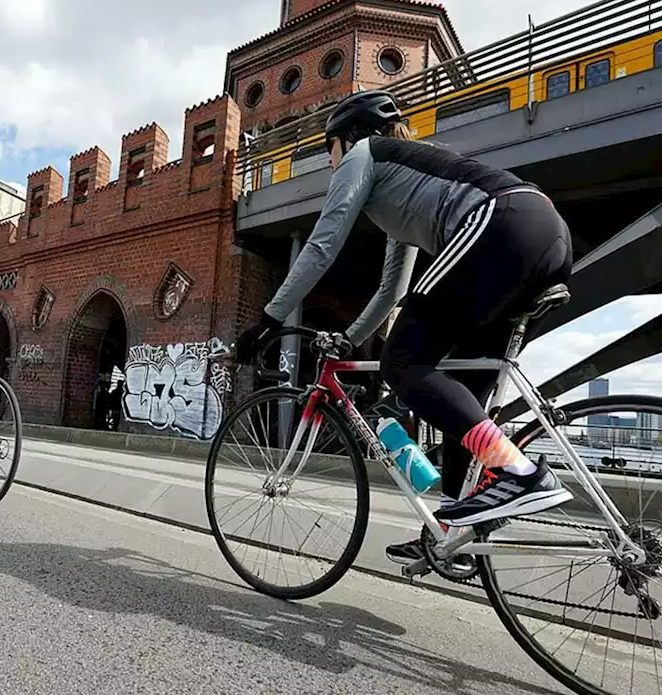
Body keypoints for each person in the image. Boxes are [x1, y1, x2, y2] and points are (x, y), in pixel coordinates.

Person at [234, 89, 575, 565]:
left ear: (345, 137)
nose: (330, 161)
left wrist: (268, 320)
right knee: (460, 405)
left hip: (500, 225)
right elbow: (392, 289)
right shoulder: (407, 181)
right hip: (543, 232)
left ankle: (519, 472)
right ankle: (451, 533)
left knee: (401, 361)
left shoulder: (363, 153)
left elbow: (321, 245)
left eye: (327, 148)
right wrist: (351, 339)